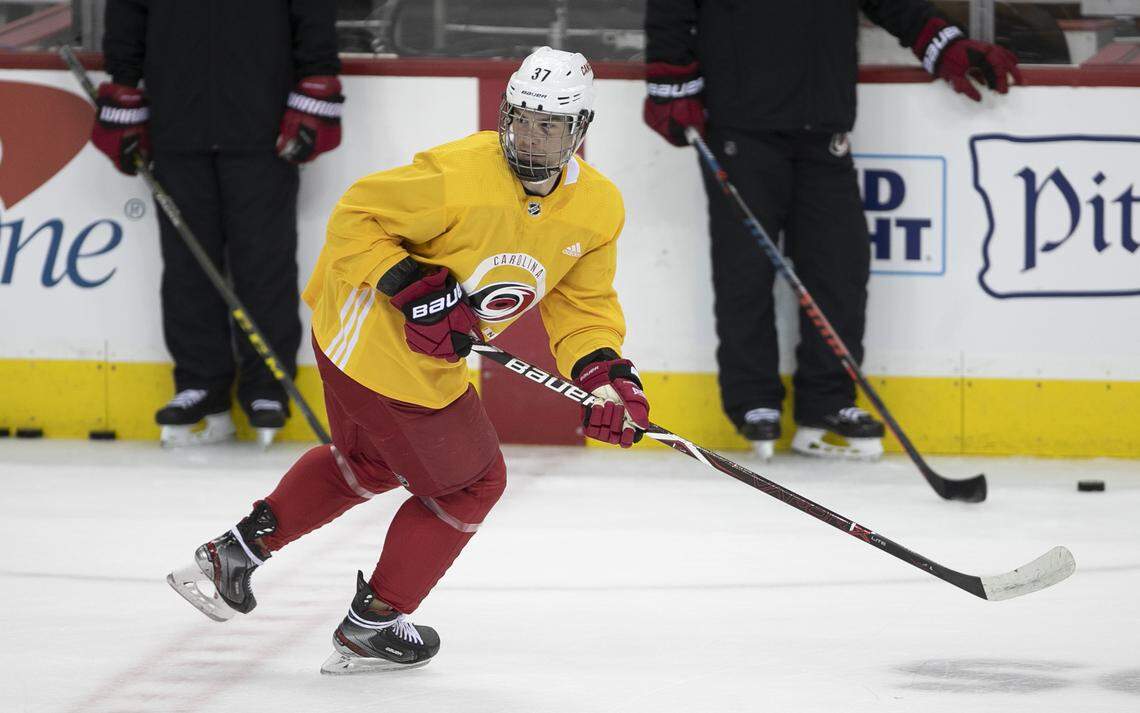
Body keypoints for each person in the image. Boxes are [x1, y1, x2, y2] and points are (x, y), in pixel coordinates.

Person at [167, 47, 650, 673]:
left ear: (579, 130)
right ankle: (375, 624)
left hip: (351, 341)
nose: (531, 136)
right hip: (376, 341)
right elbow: (354, 220)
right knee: (475, 483)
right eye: (522, 119)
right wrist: (413, 286)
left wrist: (607, 379)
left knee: (370, 462)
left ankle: (232, 555)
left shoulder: (598, 208)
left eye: (550, 125)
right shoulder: (456, 175)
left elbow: (583, 310)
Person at [643, 1, 1021, 460]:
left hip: (823, 122)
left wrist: (946, 45)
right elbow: (670, 9)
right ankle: (754, 400)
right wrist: (670, 84)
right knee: (744, 269)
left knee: (839, 268)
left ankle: (827, 403)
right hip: (740, 124)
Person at [92, 0, 344, 447]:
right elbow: (128, 16)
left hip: (264, 132)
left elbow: (313, 15)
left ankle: (266, 388)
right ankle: (200, 384)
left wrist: (316, 83)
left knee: (264, 264)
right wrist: (123, 87)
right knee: (187, 266)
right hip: (175, 127)